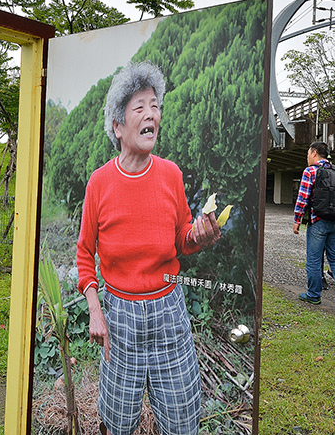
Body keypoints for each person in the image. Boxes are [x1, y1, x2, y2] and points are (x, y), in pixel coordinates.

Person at [76, 60, 221, 435]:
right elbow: (83, 254)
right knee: (117, 420)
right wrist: (95, 309)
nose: (151, 113)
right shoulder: (99, 183)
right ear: (118, 126)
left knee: (181, 417)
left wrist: (199, 236)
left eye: (155, 105)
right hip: (120, 315)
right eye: (139, 107)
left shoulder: (171, 174)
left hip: (168, 310)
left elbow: (181, 239)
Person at [292, 141, 335, 310]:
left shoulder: (311, 171)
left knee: (314, 259)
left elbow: (303, 198)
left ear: (314, 153)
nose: (307, 157)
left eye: (308, 154)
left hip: (318, 221)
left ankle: (313, 295)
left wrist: (297, 219)